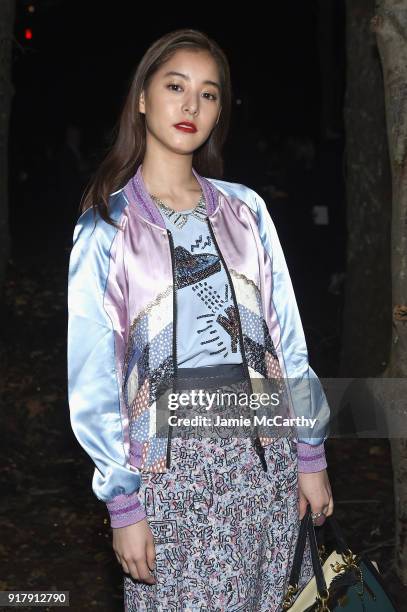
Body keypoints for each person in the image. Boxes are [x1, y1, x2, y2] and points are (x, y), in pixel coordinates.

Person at [67, 28, 334, 611]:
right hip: (166, 478)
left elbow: (288, 341)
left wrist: (308, 455)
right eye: (175, 86)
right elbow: (94, 382)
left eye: (209, 94)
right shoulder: (104, 230)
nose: (191, 105)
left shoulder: (246, 210)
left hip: (262, 462)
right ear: (142, 98)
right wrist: (123, 502)